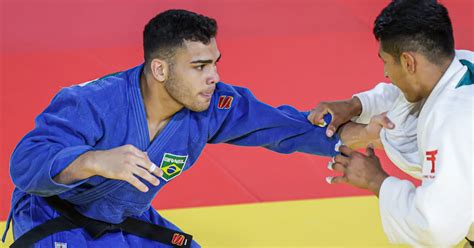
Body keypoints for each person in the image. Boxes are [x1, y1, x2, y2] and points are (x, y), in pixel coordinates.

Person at [1, 9, 379, 247]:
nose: (214, 76)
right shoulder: (91, 102)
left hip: (123, 220)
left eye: (214, 62)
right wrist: (94, 161)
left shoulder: (211, 105)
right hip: (55, 217)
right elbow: (25, 163)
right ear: (161, 69)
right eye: (199, 66)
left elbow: (279, 126)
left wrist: (350, 135)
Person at [308, 0, 473, 246]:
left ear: (408, 62)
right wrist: (356, 104)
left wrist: (375, 180)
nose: (386, 73)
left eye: (385, 61)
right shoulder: (460, 63)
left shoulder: (451, 122)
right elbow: (404, 94)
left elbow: (434, 229)